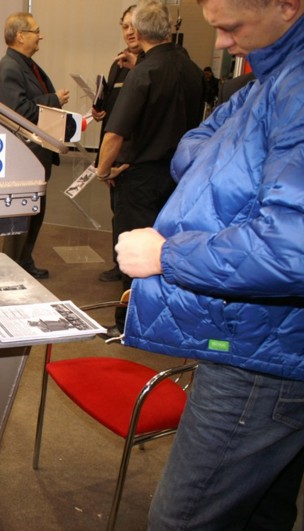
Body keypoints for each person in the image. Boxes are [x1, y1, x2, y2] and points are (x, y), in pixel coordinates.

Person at [114, 0, 304, 527]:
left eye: (230, 27)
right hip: (263, 339)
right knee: (260, 510)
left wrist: (167, 255)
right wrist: (230, 163)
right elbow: (191, 143)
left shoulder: (295, 87)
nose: (220, 43)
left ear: (287, 6)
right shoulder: (270, 77)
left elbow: (291, 249)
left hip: (263, 356)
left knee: (181, 519)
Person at [94, 0, 203, 334]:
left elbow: (115, 133)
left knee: (135, 254)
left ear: (139, 32)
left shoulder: (143, 73)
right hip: (178, 177)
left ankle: (127, 326)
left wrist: (102, 170)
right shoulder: (192, 69)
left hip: (140, 178)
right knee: (165, 250)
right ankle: (162, 321)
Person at [0, 12, 70, 279]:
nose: (40, 36)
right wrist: (54, 100)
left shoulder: (24, 64)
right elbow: (19, 111)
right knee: (21, 213)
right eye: (36, 31)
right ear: (20, 36)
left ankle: (23, 262)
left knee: (33, 211)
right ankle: (11, 269)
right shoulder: (9, 68)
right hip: (23, 154)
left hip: (35, 154)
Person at [92, 4, 142, 283]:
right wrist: (100, 110)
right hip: (114, 154)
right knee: (118, 212)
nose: (129, 32)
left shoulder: (149, 67)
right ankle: (119, 262)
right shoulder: (118, 64)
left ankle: (132, 272)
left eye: (134, 25)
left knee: (134, 217)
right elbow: (115, 110)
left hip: (135, 156)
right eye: (125, 26)